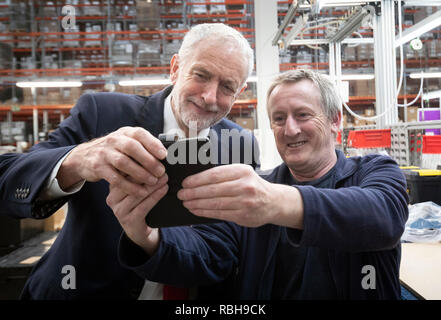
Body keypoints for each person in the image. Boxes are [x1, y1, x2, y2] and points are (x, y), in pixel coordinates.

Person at [0, 23, 259, 299]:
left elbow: (220, 254)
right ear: (175, 69)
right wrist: (77, 160)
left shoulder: (239, 147)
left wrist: (150, 240)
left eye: (227, 87)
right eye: (201, 75)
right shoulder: (102, 114)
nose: (209, 96)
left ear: (240, 91)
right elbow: (7, 178)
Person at [112, 69, 409, 299]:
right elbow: (206, 253)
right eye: (279, 119)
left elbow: (383, 218)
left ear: (335, 121)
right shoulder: (254, 191)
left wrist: (273, 203)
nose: (290, 129)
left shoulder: (375, 171)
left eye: (303, 115)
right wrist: (145, 236)